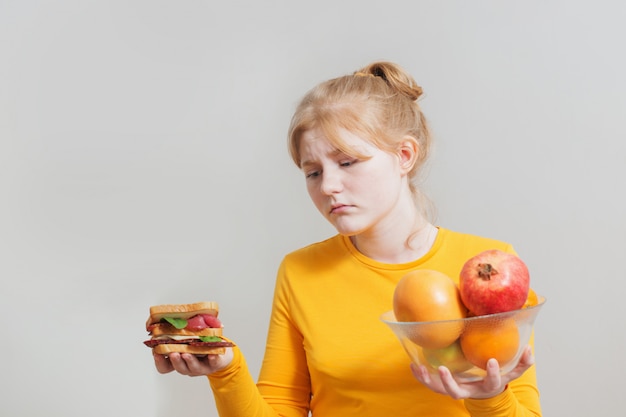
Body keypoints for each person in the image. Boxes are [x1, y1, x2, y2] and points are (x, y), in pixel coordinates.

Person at [153, 61, 542, 417]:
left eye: (347, 162)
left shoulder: (490, 267)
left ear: (404, 155)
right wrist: (226, 371)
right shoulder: (301, 272)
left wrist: (488, 396)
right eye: (313, 172)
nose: (329, 187)